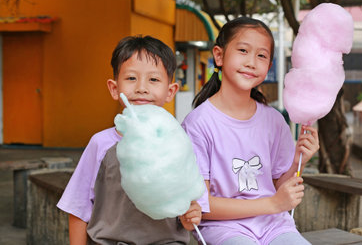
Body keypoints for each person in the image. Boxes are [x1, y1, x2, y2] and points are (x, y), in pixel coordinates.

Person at [182, 17, 319, 245]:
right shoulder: (198, 123)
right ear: (219, 56)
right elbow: (201, 207)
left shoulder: (275, 120)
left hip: (275, 225)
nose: (251, 62)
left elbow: (279, 188)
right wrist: (273, 204)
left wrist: (299, 160)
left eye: (261, 55)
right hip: (223, 229)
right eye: (243, 50)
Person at [57, 35, 201, 245]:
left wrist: (191, 217)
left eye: (153, 80)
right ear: (114, 88)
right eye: (132, 78)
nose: (141, 88)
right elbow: (78, 207)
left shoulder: (181, 143)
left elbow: (190, 209)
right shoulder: (101, 143)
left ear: (171, 91)